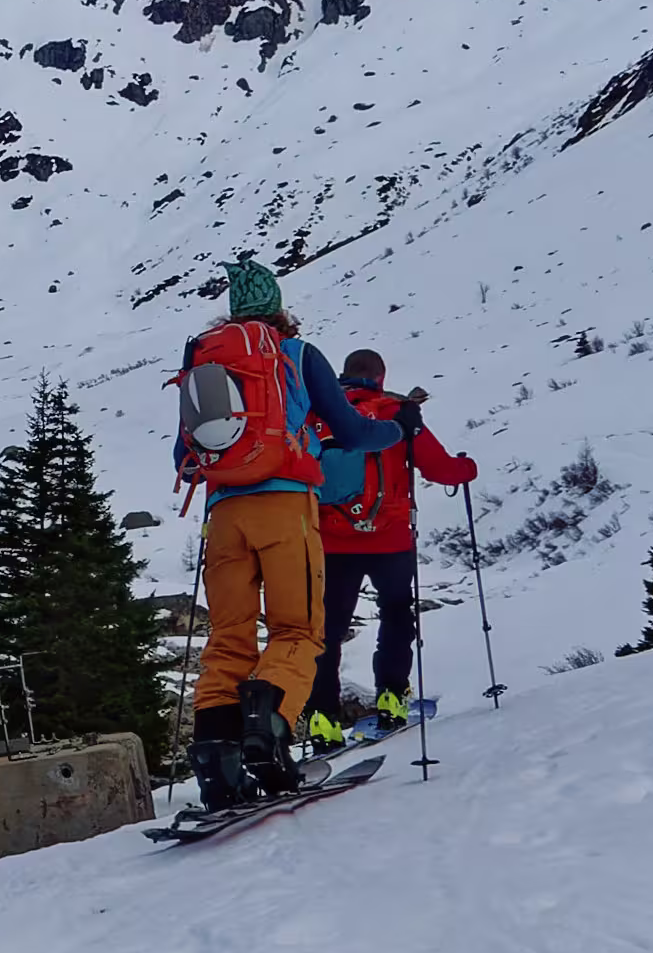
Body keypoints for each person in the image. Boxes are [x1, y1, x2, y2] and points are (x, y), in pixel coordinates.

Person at [167, 259, 393, 807]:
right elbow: (353, 431)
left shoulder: (204, 356)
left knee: (228, 639)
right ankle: (267, 736)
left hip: (223, 515)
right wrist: (396, 427)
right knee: (298, 631)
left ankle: (218, 765)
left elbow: (184, 456)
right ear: (278, 306)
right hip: (286, 506)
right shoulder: (296, 354)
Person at [316, 348, 476, 742]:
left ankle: (323, 720)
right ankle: (391, 698)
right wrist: (467, 467)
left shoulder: (321, 410)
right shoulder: (397, 413)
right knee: (396, 614)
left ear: (344, 374)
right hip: (390, 538)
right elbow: (439, 468)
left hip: (333, 539)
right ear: (381, 377)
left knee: (328, 629)